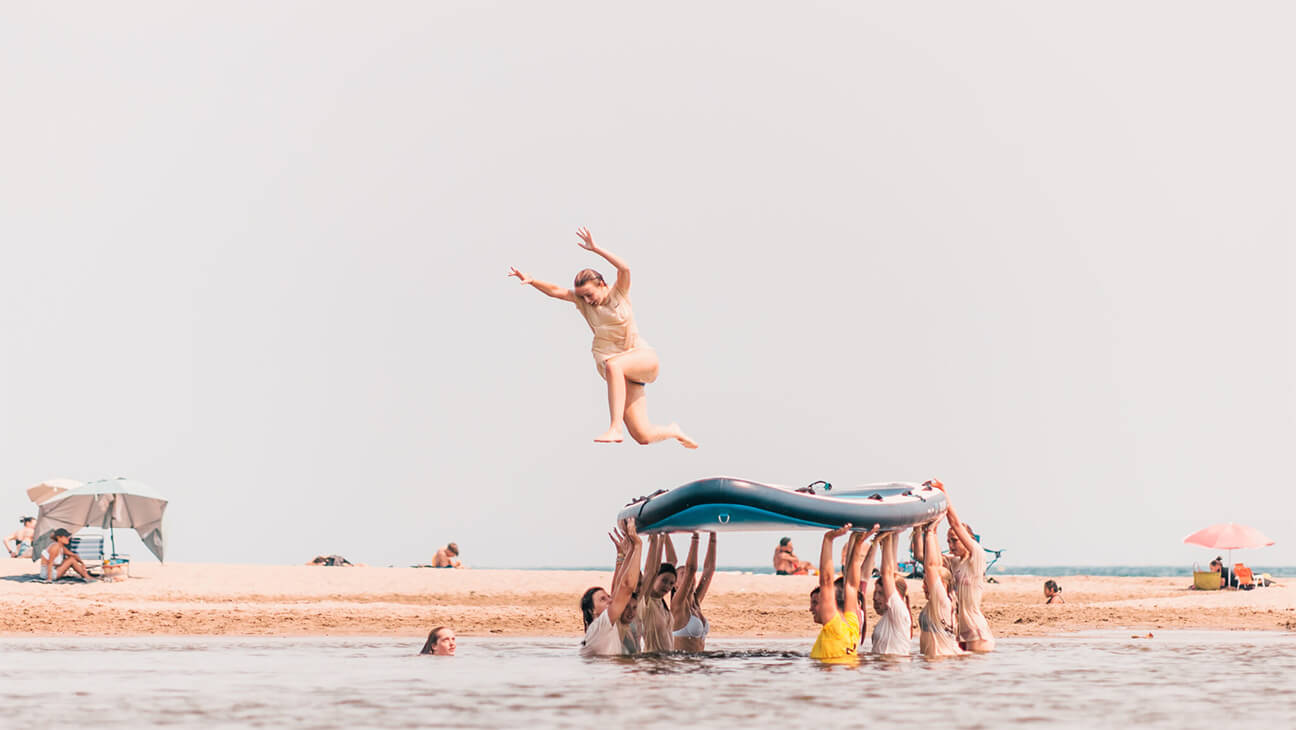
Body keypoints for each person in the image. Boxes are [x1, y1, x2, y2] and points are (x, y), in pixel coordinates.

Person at [508, 227, 697, 448]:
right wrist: (532, 281)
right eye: (582, 297)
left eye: (589, 295)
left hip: (640, 357)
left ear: (602, 285)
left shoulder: (619, 293)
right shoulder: (582, 303)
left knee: (613, 365)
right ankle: (673, 431)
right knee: (642, 436)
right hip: (621, 373)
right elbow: (555, 290)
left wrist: (596, 249)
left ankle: (615, 426)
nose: (587, 301)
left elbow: (624, 268)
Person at [935, 482, 996, 652]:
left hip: (977, 633)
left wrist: (943, 493)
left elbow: (955, 523)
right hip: (958, 633)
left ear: (967, 538)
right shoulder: (954, 562)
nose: (951, 545)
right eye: (948, 541)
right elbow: (926, 558)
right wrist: (927, 527)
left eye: (954, 540)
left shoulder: (977, 557)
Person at [809, 524, 872, 661]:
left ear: (833, 603)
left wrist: (828, 540)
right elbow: (851, 585)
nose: (810, 609)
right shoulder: (852, 624)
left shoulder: (834, 625)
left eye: (816, 603)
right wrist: (858, 544)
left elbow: (826, 581)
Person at [580, 519, 642, 657]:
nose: (609, 600)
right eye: (603, 599)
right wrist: (637, 545)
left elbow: (618, 589)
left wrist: (625, 553)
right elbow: (625, 588)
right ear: (592, 610)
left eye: (608, 596)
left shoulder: (601, 626)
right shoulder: (600, 626)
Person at [918, 521, 964, 658]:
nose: (924, 587)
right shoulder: (937, 603)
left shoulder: (943, 601)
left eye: (927, 583)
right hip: (936, 661)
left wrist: (930, 532)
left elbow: (931, 567)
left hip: (942, 661)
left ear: (942, 585)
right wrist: (934, 531)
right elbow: (936, 564)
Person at [671, 532, 717, 652]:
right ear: (675, 584)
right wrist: (695, 536)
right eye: (683, 574)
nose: (688, 576)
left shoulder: (696, 601)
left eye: (688, 573)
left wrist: (713, 534)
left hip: (697, 664)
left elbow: (709, 570)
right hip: (683, 665)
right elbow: (691, 569)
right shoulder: (678, 605)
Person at [870, 532, 912, 656]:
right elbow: (891, 570)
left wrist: (887, 535)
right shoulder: (889, 616)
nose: (875, 598)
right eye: (875, 592)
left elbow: (887, 573)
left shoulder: (899, 611)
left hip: (894, 671)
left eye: (880, 593)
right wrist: (889, 540)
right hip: (884, 671)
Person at [636, 533, 679, 653]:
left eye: (671, 583)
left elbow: (672, 561)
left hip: (667, 661)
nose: (667, 586)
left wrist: (665, 534)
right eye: (664, 581)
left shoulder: (662, 603)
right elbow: (652, 570)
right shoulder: (645, 600)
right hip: (651, 662)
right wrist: (656, 539)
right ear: (655, 578)